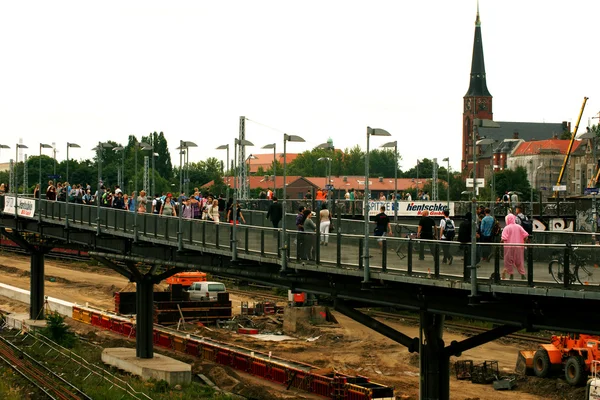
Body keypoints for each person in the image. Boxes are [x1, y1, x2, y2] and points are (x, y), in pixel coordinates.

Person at [501, 213, 529, 280]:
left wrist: (500, 243)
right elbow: (526, 235)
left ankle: (511, 275)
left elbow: (504, 238)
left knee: (508, 261)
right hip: (519, 246)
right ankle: (522, 275)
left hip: (509, 247)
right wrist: (523, 242)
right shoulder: (519, 227)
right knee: (519, 261)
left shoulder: (506, 228)